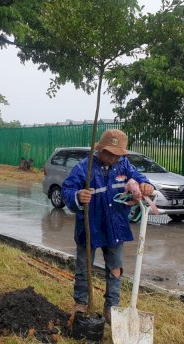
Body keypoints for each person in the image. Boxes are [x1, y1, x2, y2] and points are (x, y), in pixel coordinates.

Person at [61, 129, 154, 324]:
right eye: (110, 153)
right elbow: (67, 190)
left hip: (116, 227)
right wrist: (78, 196)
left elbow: (140, 178)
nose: (113, 158)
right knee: (84, 268)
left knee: (115, 269)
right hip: (89, 227)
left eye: (117, 154)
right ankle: (81, 304)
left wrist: (145, 185)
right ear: (100, 149)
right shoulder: (84, 168)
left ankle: (111, 307)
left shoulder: (124, 165)